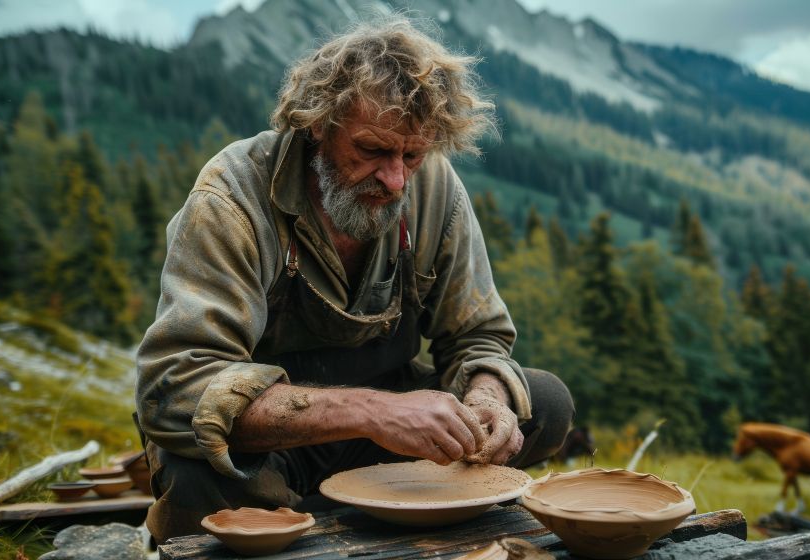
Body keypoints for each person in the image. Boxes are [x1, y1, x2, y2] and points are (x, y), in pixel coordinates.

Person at [135, 16, 574, 543]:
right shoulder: (231, 200)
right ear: (317, 125)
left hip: (392, 439)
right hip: (277, 442)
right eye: (372, 150)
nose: (395, 180)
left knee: (543, 401)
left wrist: (487, 402)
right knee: (196, 473)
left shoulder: (431, 186)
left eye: (412, 155)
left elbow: (478, 336)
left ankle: (385, 512)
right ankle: (293, 513)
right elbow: (175, 389)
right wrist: (370, 412)